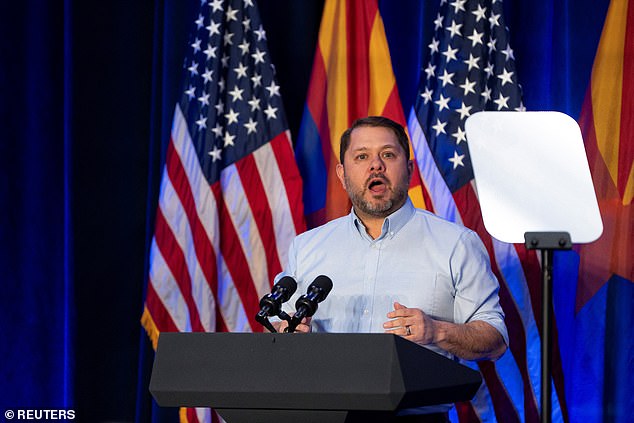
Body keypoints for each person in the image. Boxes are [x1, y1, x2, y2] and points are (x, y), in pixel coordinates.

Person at [274, 116, 508, 422]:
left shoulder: (457, 244)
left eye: (388, 154)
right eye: (362, 157)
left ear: (409, 169)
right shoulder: (307, 247)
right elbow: (282, 330)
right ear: (342, 175)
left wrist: (437, 331)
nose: (376, 166)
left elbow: (495, 339)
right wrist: (286, 334)